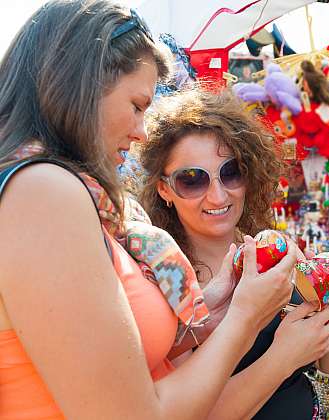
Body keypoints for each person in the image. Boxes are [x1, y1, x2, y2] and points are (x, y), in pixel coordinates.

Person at [0, 2, 298, 419]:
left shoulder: (51, 191)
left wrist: (219, 302)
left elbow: (116, 357)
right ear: (81, 88)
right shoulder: (42, 191)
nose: (141, 131)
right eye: (138, 105)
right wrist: (247, 317)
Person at [138, 88, 329, 419]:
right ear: (164, 189)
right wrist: (283, 357)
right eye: (192, 180)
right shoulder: (163, 281)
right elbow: (195, 414)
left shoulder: (277, 251)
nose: (217, 196)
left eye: (231, 172)